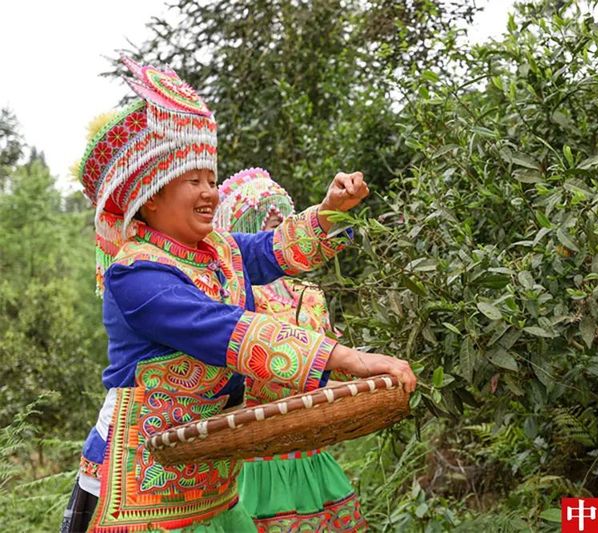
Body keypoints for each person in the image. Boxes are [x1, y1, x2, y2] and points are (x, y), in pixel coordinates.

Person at [63, 57, 415, 532]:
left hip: (211, 475)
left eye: (211, 179)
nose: (210, 193)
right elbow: (224, 330)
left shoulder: (220, 251)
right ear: (149, 194)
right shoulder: (137, 272)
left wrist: (332, 211)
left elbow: (278, 249)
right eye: (193, 181)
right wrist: (349, 359)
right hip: (138, 480)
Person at [214, 168, 365, 531]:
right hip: (255, 463)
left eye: (283, 216)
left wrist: (370, 368)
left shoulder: (310, 296)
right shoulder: (235, 299)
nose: (277, 224)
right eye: (263, 219)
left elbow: (334, 363)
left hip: (310, 457)